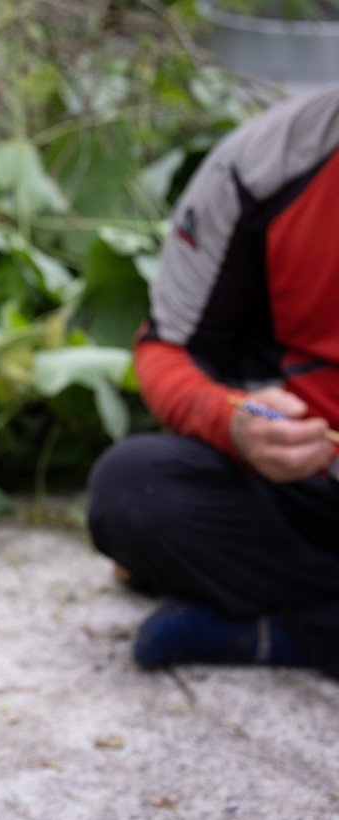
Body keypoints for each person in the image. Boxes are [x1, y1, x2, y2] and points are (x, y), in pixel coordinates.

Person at [86, 83, 339, 677]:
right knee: (133, 491)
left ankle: (282, 635)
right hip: (308, 485)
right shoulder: (262, 167)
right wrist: (232, 422)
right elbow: (166, 350)